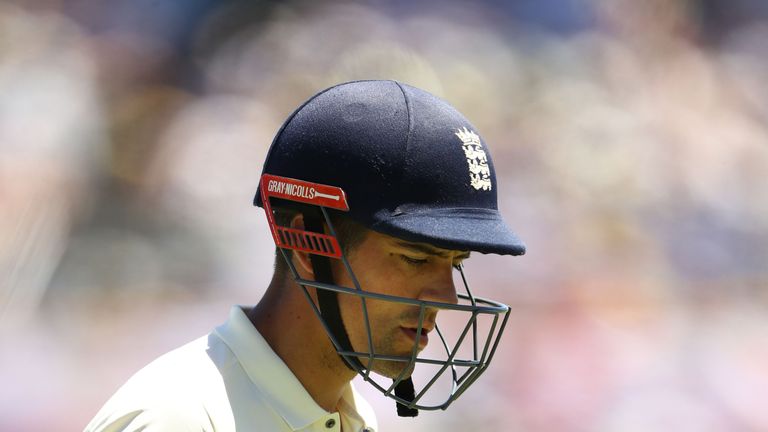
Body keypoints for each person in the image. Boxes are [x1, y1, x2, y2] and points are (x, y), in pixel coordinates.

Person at [85, 80, 526, 432]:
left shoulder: (355, 420)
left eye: (455, 263)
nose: (447, 299)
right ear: (306, 246)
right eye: (414, 258)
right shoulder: (181, 419)